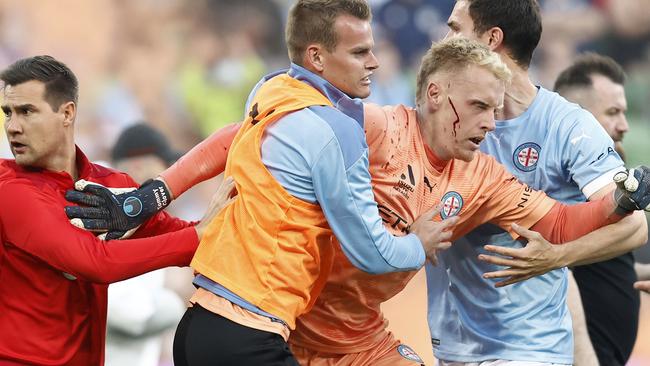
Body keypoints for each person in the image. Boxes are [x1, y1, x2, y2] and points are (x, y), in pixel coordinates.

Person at [67, 37, 650, 365]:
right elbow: (246, 133)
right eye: (478, 107)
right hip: (284, 321)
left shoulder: (486, 179)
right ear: (434, 95)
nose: (490, 123)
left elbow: (565, 220)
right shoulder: (369, 126)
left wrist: (622, 198)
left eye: (497, 110)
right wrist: (154, 193)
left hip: (357, 339)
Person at [68, 1, 452, 365]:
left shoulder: (271, 90)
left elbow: (226, 139)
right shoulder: (334, 131)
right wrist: (418, 244)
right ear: (316, 57)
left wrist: (148, 197)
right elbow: (371, 252)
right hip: (247, 336)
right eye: (359, 52)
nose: (374, 62)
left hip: (198, 327)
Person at [428, 1, 648, 365]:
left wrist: (557, 257)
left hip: (530, 348)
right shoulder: (442, 117)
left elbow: (634, 227)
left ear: (491, 39)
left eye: (455, 28)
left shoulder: (567, 125)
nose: (443, 39)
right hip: (452, 344)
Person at [0, 55, 233, 365]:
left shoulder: (110, 185)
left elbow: (187, 236)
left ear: (67, 113)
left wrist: (226, 218)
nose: (12, 127)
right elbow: (96, 263)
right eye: (8, 113)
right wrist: (199, 237)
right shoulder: (10, 190)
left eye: (26, 111)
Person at [554, 52, 639, 366]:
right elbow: (555, 270)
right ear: (578, 117)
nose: (624, 125)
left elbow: (603, 265)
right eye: (613, 112)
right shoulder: (563, 183)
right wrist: (586, 359)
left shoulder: (605, 181)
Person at [104, 123, 187, 366]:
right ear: (139, 166)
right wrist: (178, 302)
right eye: (165, 167)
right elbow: (133, 317)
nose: (171, 178)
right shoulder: (110, 218)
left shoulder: (142, 222)